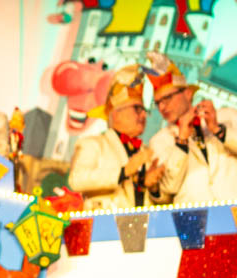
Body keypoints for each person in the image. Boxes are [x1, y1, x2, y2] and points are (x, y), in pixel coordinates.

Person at [145, 52, 237, 204]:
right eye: (158, 103)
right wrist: (181, 141)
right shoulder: (159, 141)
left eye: (167, 98)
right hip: (197, 213)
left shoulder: (226, 116)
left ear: (188, 94)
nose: (162, 107)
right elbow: (169, 187)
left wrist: (218, 130)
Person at [68, 66, 168, 211]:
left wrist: (153, 188)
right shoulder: (93, 144)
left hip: (142, 223)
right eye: (137, 108)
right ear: (116, 114)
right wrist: (123, 172)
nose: (143, 115)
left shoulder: (146, 152)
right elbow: (76, 180)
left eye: (144, 110)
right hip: (103, 222)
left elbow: (161, 201)